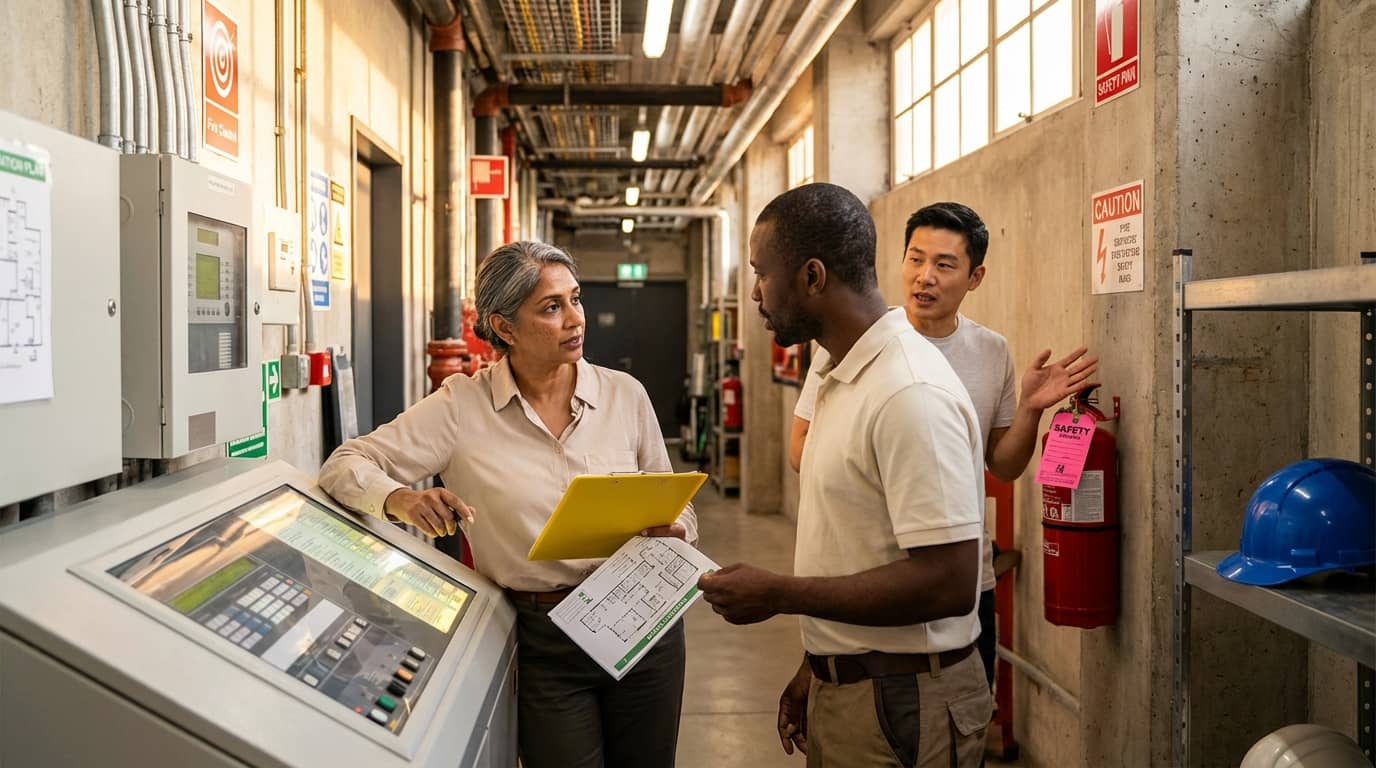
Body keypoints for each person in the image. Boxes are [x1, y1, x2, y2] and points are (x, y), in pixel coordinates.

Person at [318, 241, 696, 768]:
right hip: (545, 641)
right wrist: (401, 498)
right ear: (505, 327)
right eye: (551, 307)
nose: (575, 319)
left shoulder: (625, 395)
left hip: (642, 622)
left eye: (576, 299)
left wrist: (676, 527)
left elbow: (678, 502)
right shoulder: (460, 408)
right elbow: (344, 463)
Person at [697, 183, 991, 768]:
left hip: (905, 704)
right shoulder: (837, 374)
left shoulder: (908, 393)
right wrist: (821, 664)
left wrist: (781, 594)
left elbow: (950, 582)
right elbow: (855, 546)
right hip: (857, 687)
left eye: (762, 274)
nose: (756, 293)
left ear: (811, 277)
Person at [790, 201, 1098, 690]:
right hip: (873, 575)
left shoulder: (990, 350)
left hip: (964, 578)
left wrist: (1031, 410)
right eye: (915, 259)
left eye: (944, 264)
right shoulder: (853, 343)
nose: (924, 277)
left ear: (975, 277)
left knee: (959, 713)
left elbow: (1003, 464)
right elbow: (800, 447)